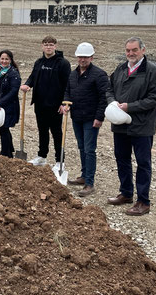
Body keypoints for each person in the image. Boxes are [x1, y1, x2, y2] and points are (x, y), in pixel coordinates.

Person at [106, 37, 156, 216]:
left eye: (134, 50)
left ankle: (143, 201)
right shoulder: (121, 69)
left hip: (142, 125)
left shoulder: (151, 71)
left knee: (143, 163)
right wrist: (113, 103)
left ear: (143, 50)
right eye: (128, 50)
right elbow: (109, 89)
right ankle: (126, 193)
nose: (131, 53)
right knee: (122, 159)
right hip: (120, 125)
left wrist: (130, 107)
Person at [60, 42, 108, 197]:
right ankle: (83, 176)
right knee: (81, 147)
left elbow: (104, 98)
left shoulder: (99, 75)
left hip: (91, 118)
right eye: (80, 57)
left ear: (91, 57)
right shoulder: (73, 75)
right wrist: (65, 104)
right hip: (77, 117)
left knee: (89, 149)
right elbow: (67, 91)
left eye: (86, 57)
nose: (82, 59)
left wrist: (99, 117)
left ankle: (89, 182)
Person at [20, 36, 71, 166]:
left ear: (55, 46)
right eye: (46, 44)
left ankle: (60, 161)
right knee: (42, 131)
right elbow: (33, 76)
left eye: (51, 44)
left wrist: (64, 102)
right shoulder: (39, 62)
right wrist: (27, 85)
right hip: (40, 104)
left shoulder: (63, 63)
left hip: (55, 105)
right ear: (42, 46)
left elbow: (67, 84)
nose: (48, 47)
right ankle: (42, 156)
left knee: (57, 133)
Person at [0, 50, 21, 158]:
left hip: (8, 105)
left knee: (3, 128)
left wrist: (1, 102)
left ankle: (6, 154)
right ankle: (9, 149)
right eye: (2, 59)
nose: (4, 61)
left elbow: (14, 91)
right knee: (3, 128)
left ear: (10, 60)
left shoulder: (13, 73)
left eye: (6, 59)